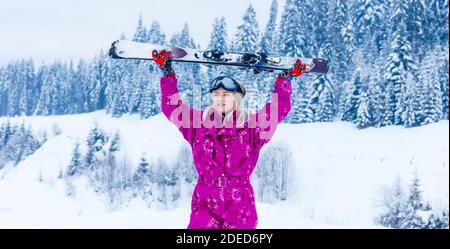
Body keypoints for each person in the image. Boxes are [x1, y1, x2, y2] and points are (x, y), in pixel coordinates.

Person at [152, 49, 306, 229]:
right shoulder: (197, 125)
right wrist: (167, 73)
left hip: (239, 203)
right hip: (205, 200)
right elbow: (172, 107)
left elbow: (275, 111)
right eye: (216, 94)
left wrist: (285, 81)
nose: (220, 98)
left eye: (226, 95)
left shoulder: (252, 127)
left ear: (237, 99)